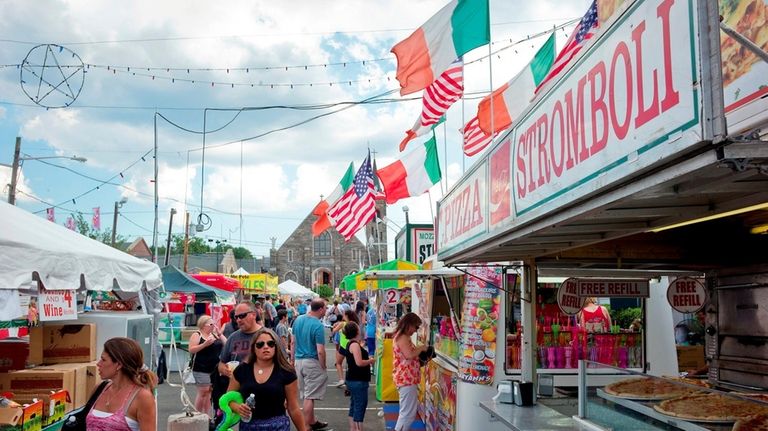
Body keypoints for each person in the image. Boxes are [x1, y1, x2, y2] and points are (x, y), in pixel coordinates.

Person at [226, 328, 307, 431]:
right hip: (249, 426)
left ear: (276, 347)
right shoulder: (242, 370)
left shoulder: (286, 372)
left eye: (270, 344)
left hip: (278, 427)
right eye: (260, 344)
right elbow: (228, 399)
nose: (265, 347)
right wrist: (237, 408)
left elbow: (293, 407)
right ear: (253, 348)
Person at [87, 337, 157, 431]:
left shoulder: (142, 397)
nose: (98, 364)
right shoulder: (100, 389)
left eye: (103, 360)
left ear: (119, 365)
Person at [214, 302, 263, 425]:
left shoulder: (267, 336)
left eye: (242, 316)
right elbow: (221, 364)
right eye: (236, 317)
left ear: (253, 314)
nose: (238, 320)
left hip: (264, 391)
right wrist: (224, 370)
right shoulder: (233, 337)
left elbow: (283, 364)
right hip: (239, 394)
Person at [292, 298, 328, 430]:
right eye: (325, 307)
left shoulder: (298, 319)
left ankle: (312, 421)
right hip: (311, 361)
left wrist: (292, 360)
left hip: (298, 361)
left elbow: (293, 342)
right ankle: (306, 426)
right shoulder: (317, 325)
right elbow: (320, 350)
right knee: (309, 396)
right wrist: (323, 365)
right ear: (320, 309)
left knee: (306, 394)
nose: (326, 310)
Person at [393, 313, 427, 431]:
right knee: (407, 415)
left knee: (407, 413)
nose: (416, 330)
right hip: (406, 379)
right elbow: (409, 355)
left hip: (407, 378)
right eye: (416, 327)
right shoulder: (403, 338)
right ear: (409, 324)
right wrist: (421, 348)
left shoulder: (402, 336)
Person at [188, 315, 226, 415]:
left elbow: (227, 344)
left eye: (214, 324)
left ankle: (207, 415)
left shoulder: (214, 335)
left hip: (214, 368)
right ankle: (197, 414)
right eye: (211, 324)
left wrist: (220, 334)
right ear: (203, 325)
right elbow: (191, 349)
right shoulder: (197, 334)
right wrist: (205, 344)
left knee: (209, 392)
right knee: (203, 391)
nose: (214, 326)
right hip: (201, 367)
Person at [340, 322, 374, 431]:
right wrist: (370, 360)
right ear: (356, 331)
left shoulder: (351, 343)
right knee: (360, 406)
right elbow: (359, 362)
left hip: (353, 379)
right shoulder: (354, 345)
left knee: (354, 405)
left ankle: (353, 428)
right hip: (358, 380)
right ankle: (358, 429)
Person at [332, 309, 360, 387]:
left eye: (344, 315)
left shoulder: (343, 324)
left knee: (338, 363)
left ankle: (341, 379)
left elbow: (334, 331)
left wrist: (335, 327)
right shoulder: (355, 324)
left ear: (347, 316)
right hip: (353, 345)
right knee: (352, 364)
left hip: (344, 346)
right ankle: (353, 380)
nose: (343, 316)